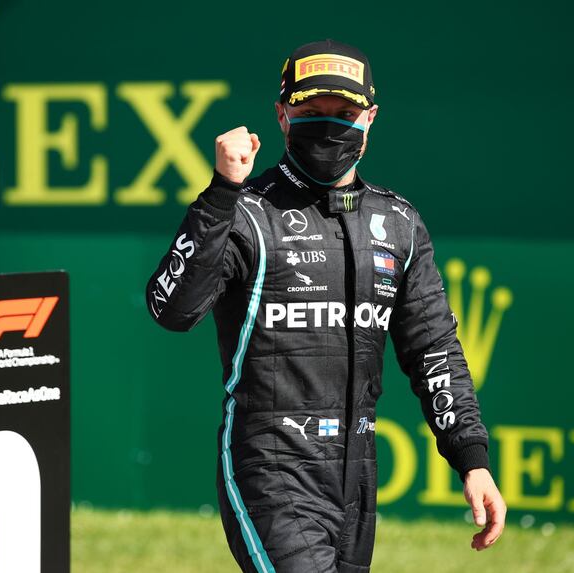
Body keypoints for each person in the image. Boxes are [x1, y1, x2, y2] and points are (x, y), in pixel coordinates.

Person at [146, 38, 506, 573]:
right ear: (282, 116)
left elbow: (435, 351)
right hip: (269, 464)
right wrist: (222, 190)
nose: (329, 126)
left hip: (356, 474)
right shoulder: (247, 212)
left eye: (345, 114)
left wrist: (471, 460)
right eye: (311, 113)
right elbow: (171, 308)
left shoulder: (399, 223)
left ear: (372, 117)